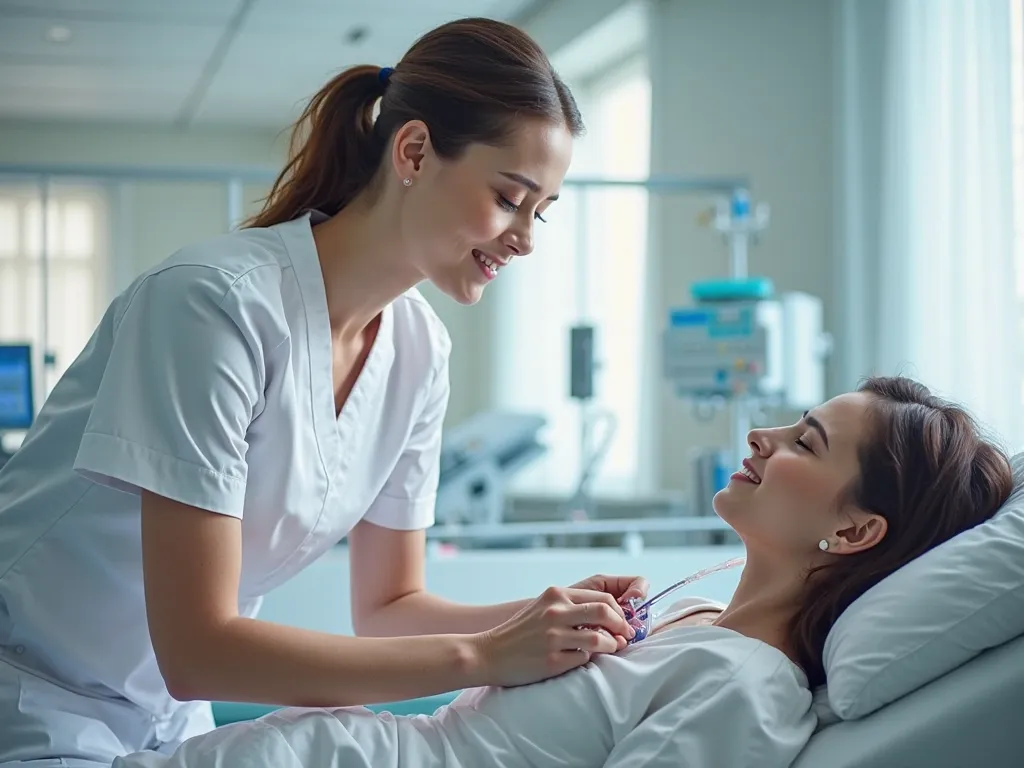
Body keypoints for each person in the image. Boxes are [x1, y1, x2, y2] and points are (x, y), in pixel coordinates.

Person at [0, 17, 650, 768]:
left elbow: (389, 608)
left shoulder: (418, 351)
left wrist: (556, 616)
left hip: (167, 716)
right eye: (511, 198)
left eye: (543, 211)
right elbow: (198, 646)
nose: (527, 238)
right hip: (32, 696)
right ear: (413, 152)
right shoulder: (212, 304)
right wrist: (482, 658)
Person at [111, 376, 1013, 768]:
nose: (761, 437)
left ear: (854, 531)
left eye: (803, 442)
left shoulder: (750, 690)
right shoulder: (693, 616)